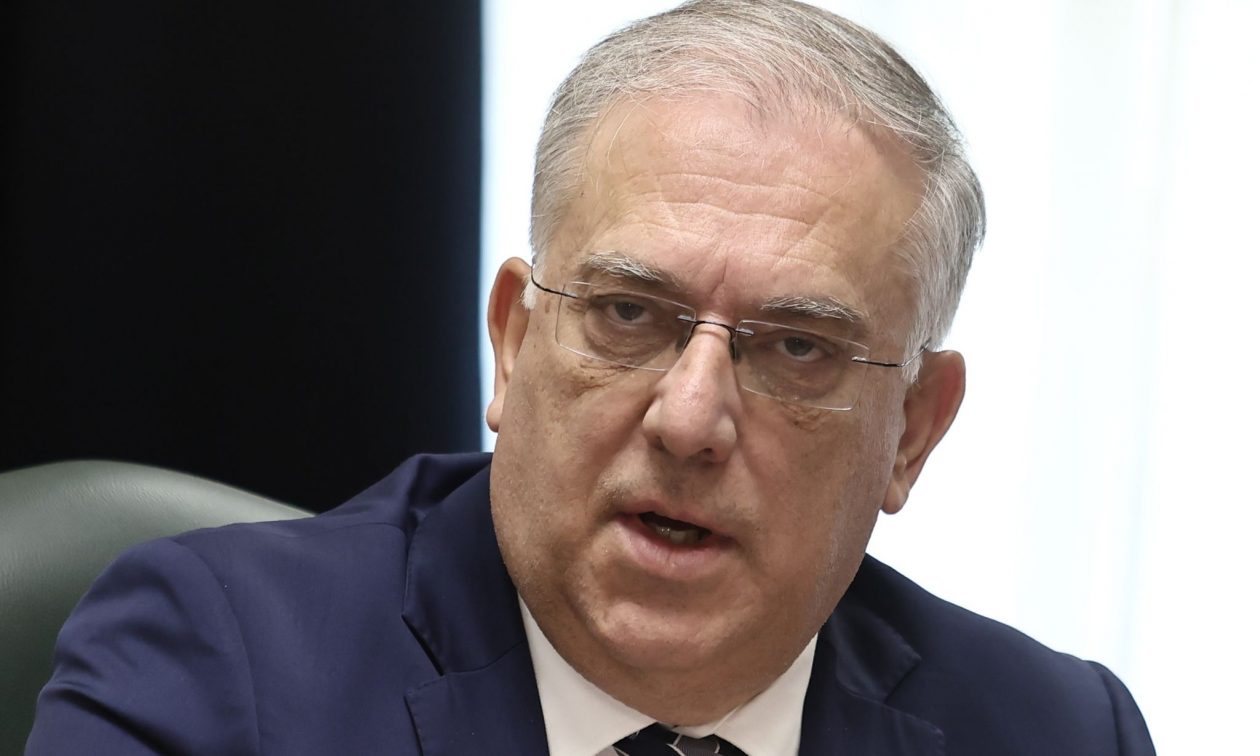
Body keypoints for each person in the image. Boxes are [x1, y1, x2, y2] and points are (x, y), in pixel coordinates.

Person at [27, 1, 1155, 754]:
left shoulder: (1058, 732)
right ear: (514, 342)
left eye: (796, 348)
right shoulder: (212, 671)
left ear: (911, 430)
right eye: (627, 315)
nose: (691, 419)